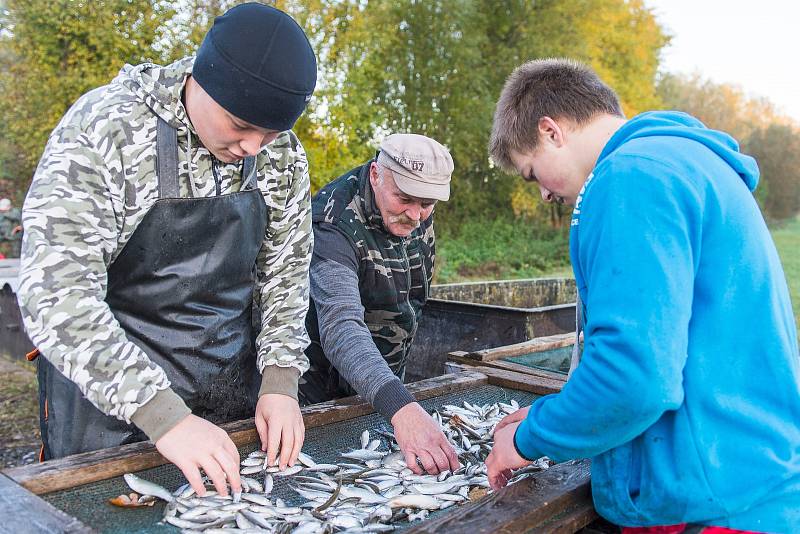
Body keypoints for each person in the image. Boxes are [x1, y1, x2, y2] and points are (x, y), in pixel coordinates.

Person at [485, 58, 800, 532]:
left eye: (532, 174)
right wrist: (559, 411)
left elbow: (635, 376)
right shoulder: (686, 161)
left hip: (710, 504)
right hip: (749, 477)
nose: (545, 196)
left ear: (551, 131)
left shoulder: (630, 177)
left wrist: (529, 438)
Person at [17, 3, 316, 498]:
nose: (253, 147)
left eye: (271, 132)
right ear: (204, 79)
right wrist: (164, 415)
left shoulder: (280, 156)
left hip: (223, 391)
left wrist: (281, 381)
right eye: (240, 124)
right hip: (107, 407)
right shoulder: (106, 128)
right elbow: (56, 294)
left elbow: (286, 273)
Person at [299, 134, 460, 475]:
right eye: (404, 198)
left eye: (428, 204)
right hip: (321, 393)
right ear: (375, 174)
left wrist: (395, 400)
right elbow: (341, 327)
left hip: (385, 384)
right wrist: (401, 407)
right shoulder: (332, 224)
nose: (416, 215)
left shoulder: (413, 207)